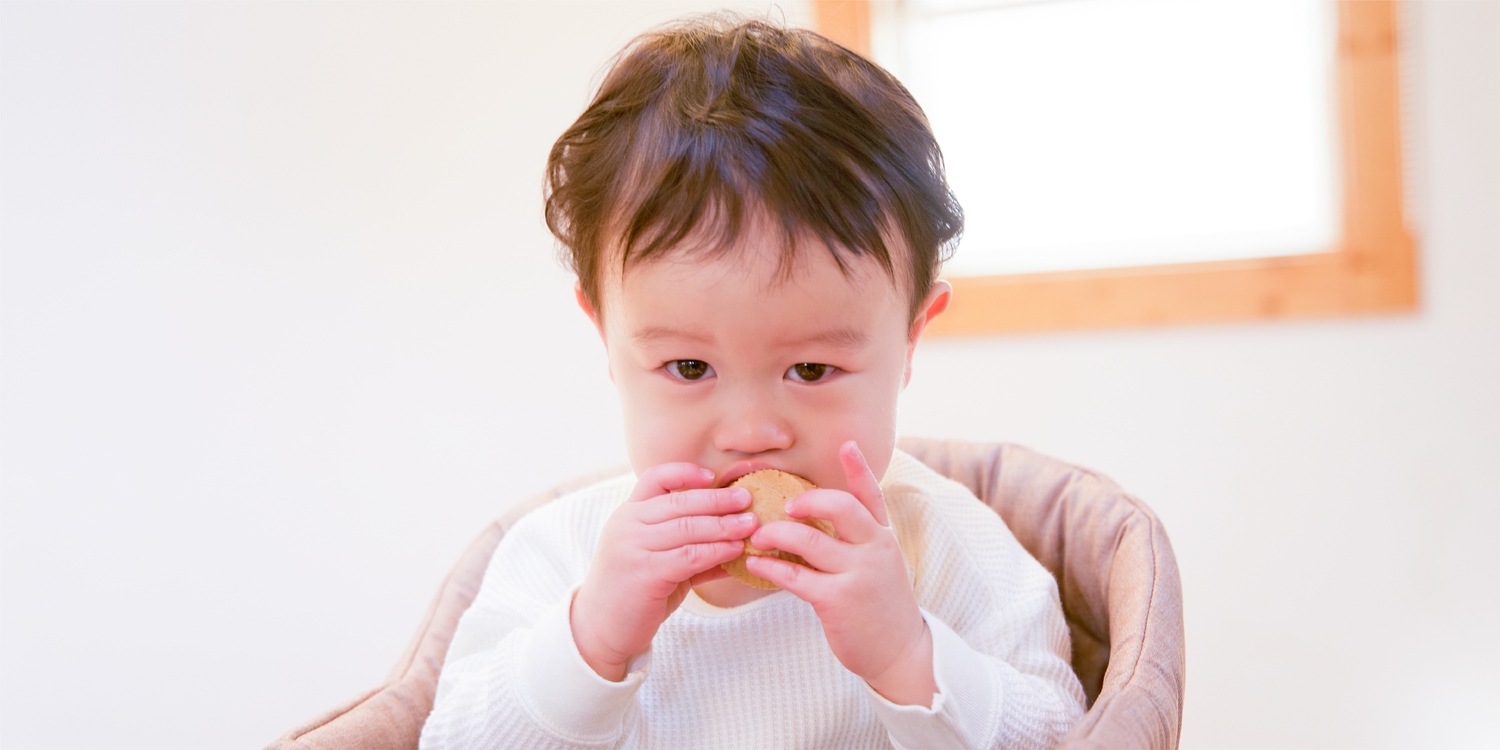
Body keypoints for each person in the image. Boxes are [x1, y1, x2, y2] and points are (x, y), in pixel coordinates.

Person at [420, 15, 1085, 749]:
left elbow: (1067, 733)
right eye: (690, 368)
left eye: (810, 369)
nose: (752, 433)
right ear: (607, 338)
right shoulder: (560, 555)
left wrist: (907, 656)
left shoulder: (948, 548)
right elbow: (449, 737)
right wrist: (589, 642)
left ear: (910, 339)